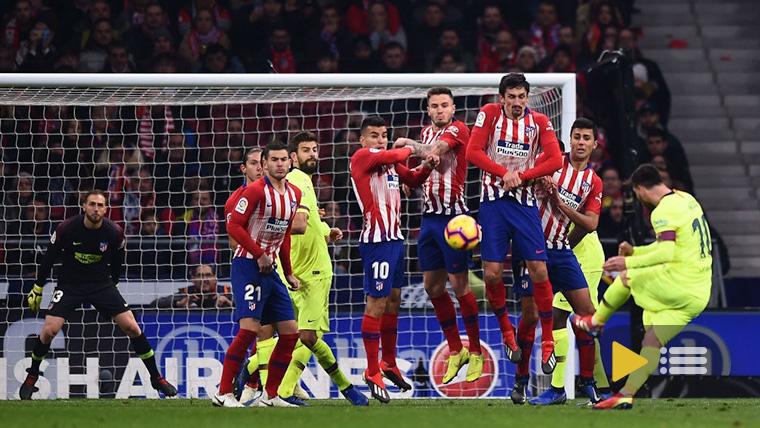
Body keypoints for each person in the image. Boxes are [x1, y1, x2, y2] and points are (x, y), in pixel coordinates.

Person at [572, 164, 712, 410]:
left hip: (679, 283)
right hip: (698, 293)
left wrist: (628, 261)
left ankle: (595, 322)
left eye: (636, 194)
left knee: (627, 277)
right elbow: (668, 248)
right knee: (652, 340)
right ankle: (626, 394)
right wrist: (636, 251)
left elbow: (666, 252)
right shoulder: (686, 199)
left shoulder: (662, 212)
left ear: (640, 189)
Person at [21, 190, 177, 399]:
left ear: (106, 208)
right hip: (70, 285)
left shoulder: (114, 232)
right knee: (49, 330)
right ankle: (32, 376)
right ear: (84, 206)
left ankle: (156, 378)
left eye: (100, 205)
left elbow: (117, 261)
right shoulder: (66, 228)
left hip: (101, 285)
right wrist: (38, 287)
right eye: (92, 204)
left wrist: (113, 286)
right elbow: (49, 258)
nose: (96, 209)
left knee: (132, 326)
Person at [465, 73, 562, 374]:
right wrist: (501, 173)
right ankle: (507, 332)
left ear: (527, 98)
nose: (518, 103)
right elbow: (472, 152)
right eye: (512, 97)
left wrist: (521, 176)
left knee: (540, 271)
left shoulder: (540, 122)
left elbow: (556, 159)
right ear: (502, 98)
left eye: (522, 97)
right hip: (493, 204)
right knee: (492, 275)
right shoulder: (489, 114)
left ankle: (548, 341)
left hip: (525, 204)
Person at [262, 132, 368, 406]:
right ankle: (343, 387)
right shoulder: (299, 181)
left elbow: (306, 222)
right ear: (293, 157)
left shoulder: (293, 184)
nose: (313, 155)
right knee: (306, 336)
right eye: (306, 150)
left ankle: (281, 389)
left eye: (315, 149)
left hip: (297, 271)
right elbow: (298, 223)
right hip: (309, 272)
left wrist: (325, 229)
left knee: (300, 335)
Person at [509, 118, 608, 405]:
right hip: (533, 251)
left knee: (587, 315)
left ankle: (589, 384)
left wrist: (561, 206)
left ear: (593, 144)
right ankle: (521, 382)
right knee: (530, 317)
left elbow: (591, 223)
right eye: (576, 136)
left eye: (586, 138)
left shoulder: (593, 181)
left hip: (563, 252)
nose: (580, 142)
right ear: (571, 138)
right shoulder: (550, 163)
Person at [392, 87, 483, 384]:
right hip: (429, 220)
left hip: (455, 219)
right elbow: (428, 164)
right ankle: (456, 350)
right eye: (435, 106)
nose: (440, 110)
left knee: (460, 286)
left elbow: (437, 153)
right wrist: (413, 178)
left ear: (453, 108)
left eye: (445, 105)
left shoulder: (459, 129)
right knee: (432, 288)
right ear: (428, 110)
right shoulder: (426, 131)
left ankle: (477, 351)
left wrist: (405, 145)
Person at [350, 115, 438, 403]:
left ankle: (388, 362)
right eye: (374, 135)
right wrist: (414, 147)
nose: (379, 139)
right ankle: (372, 370)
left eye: (384, 134)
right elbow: (398, 152)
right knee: (376, 303)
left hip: (395, 240)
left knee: (393, 301)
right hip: (376, 242)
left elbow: (412, 179)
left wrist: (426, 166)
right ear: (363, 140)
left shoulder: (389, 163)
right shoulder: (363, 157)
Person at [214, 141, 302, 408]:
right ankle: (224, 392)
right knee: (250, 328)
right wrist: (258, 253)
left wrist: (288, 272)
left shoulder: (294, 193)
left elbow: (285, 235)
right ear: (264, 164)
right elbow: (234, 226)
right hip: (247, 266)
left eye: (283, 159)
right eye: (273, 159)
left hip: (271, 269)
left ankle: (271, 396)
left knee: (290, 333)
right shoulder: (254, 191)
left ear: (290, 162)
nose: (279, 164)